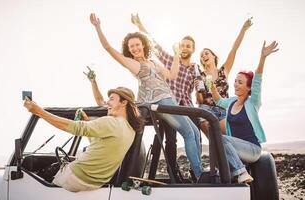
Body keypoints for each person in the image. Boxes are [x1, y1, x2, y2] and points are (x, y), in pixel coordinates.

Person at [89, 13, 203, 180]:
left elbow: (171, 75)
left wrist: (176, 55)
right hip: (159, 102)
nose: (135, 48)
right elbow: (109, 49)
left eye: (137, 44)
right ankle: (200, 175)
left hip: (169, 99)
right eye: (131, 47)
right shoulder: (135, 64)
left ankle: (198, 172)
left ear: (143, 45)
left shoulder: (154, 62)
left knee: (195, 133)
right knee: (188, 133)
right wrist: (98, 28)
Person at [23, 86, 144, 192]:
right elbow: (101, 145)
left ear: (124, 102)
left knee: (35, 181)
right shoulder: (130, 130)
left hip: (75, 178)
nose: (107, 103)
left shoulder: (111, 122)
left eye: (112, 99)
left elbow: (75, 127)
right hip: (93, 183)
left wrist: (38, 111)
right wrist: (86, 121)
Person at [131, 14, 202, 178]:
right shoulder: (169, 60)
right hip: (167, 103)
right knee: (170, 141)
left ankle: (195, 172)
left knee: (195, 135)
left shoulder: (194, 70)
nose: (185, 48)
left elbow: (200, 91)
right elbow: (153, 44)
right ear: (179, 47)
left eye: (188, 46)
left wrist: (201, 87)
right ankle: (173, 173)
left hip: (187, 108)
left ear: (192, 49)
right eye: (183, 45)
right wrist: (140, 24)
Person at [210, 41, 279, 183]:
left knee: (221, 138)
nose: (235, 84)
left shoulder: (252, 103)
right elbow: (218, 100)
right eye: (235, 81)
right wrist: (211, 85)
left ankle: (242, 172)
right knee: (218, 146)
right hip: (237, 150)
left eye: (240, 82)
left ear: (248, 88)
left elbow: (258, 79)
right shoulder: (231, 102)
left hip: (252, 150)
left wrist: (263, 57)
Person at [196, 19, 252, 137]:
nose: (204, 56)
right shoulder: (200, 76)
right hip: (206, 110)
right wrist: (197, 90)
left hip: (223, 110)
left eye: (206, 53)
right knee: (213, 137)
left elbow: (234, 49)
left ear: (213, 56)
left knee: (227, 141)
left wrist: (244, 29)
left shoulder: (224, 70)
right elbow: (200, 101)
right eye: (201, 56)